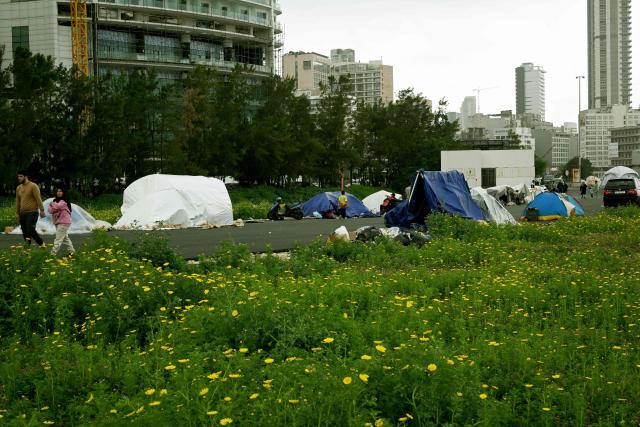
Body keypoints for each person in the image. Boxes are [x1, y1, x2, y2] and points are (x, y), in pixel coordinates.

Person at [15, 171, 46, 247]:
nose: (19, 178)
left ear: (25, 177)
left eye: (21, 176)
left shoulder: (33, 186)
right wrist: (17, 213)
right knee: (25, 231)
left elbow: (38, 199)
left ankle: (41, 244)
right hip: (23, 213)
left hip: (32, 212)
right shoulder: (18, 188)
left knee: (30, 229)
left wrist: (42, 210)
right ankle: (27, 247)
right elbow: (18, 201)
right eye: (18, 176)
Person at [48, 187, 75, 257]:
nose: (59, 192)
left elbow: (58, 206)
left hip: (64, 222)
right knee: (65, 238)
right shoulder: (55, 200)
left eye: (60, 191)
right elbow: (50, 210)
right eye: (57, 191)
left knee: (58, 239)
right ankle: (72, 252)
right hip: (58, 222)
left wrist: (52, 204)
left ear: (63, 192)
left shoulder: (64, 201)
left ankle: (52, 255)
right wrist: (53, 205)